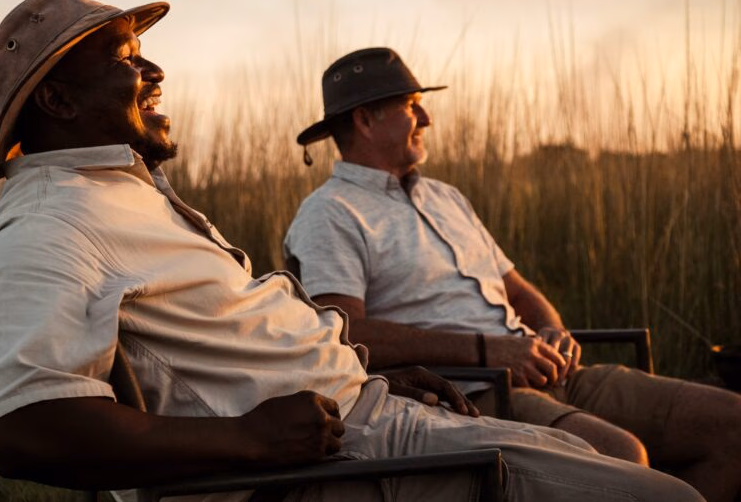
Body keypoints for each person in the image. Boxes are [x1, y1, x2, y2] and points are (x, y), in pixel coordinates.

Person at [0, 0, 704, 502]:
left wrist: (350, 367)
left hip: (371, 409)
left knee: (608, 462)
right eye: (127, 57)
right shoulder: (48, 225)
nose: (154, 68)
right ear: (59, 101)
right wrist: (249, 443)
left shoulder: (130, 193)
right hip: (333, 467)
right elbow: (21, 428)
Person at [283, 47, 741, 502]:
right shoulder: (329, 214)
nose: (426, 119)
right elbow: (344, 334)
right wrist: (488, 350)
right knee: (622, 453)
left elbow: (517, 289)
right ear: (365, 120)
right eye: (410, 106)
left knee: (732, 423)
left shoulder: (446, 197)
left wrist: (552, 330)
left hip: (549, 368)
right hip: (470, 395)